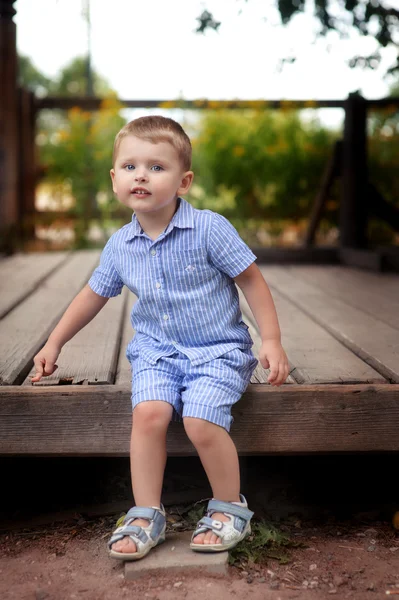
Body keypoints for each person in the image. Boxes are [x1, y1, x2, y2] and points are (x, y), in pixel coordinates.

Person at [32, 115, 289, 561]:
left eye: (156, 167)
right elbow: (93, 295)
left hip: (217, 351)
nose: (141, 176)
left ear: (183, 181)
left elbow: (251, 280)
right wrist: (54, 343)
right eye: (130, 167)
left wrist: (270, 339)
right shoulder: (120, 246)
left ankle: (230, 507)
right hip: (157, 353)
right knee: (148, 414)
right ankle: (146, 512)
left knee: (199, 421)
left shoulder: (209, 228)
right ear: (114, 179)